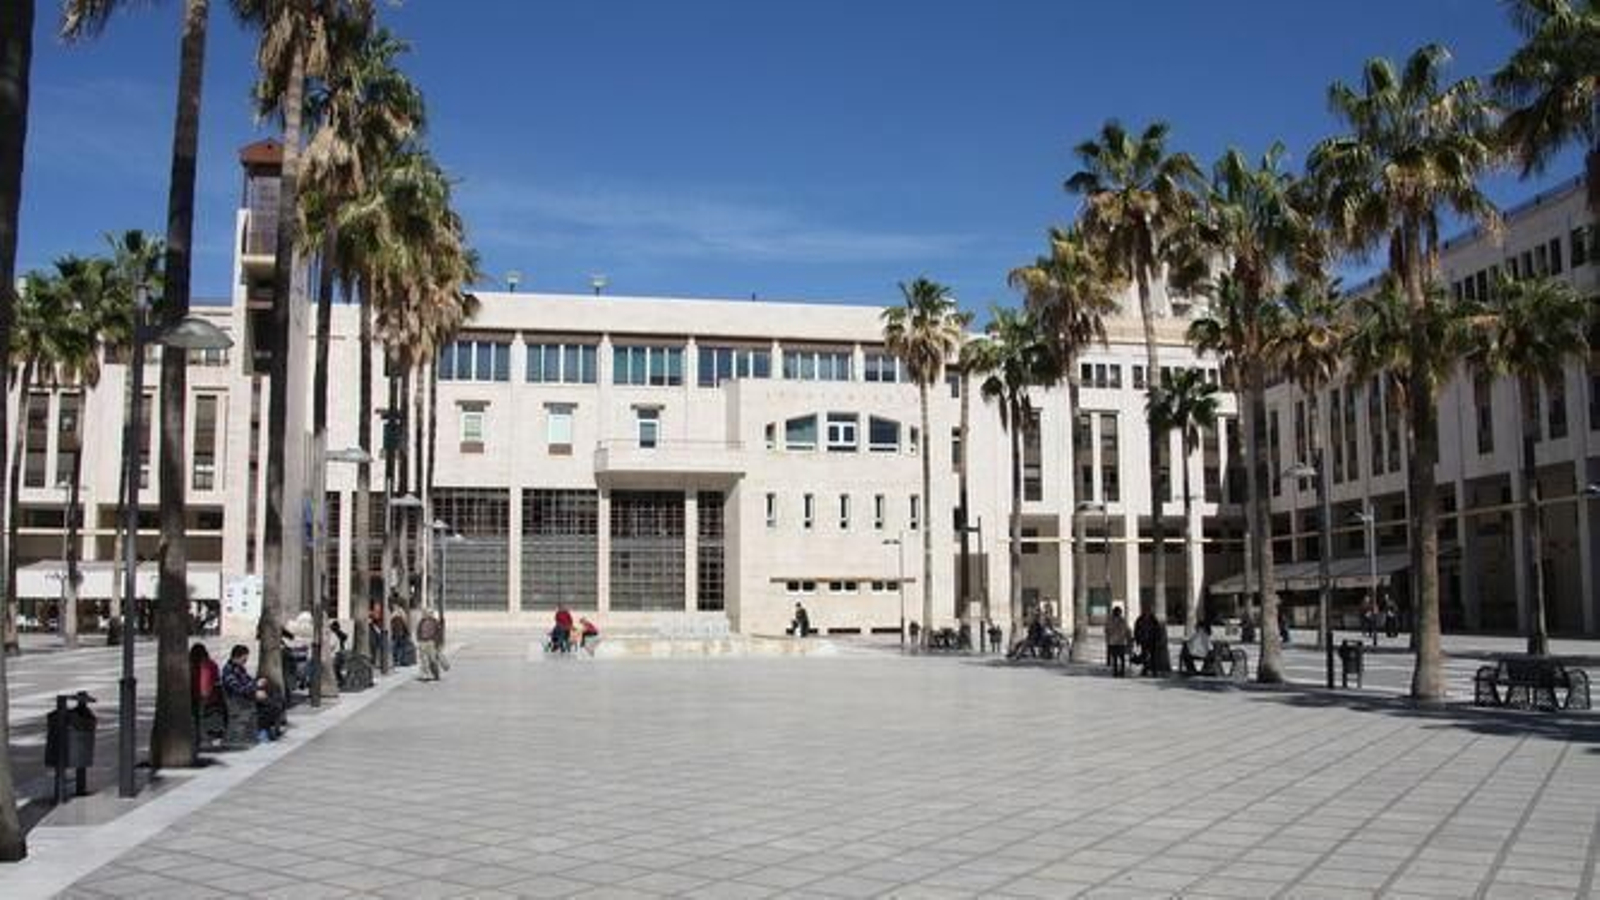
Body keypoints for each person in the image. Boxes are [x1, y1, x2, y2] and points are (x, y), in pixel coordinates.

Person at [221, 644, 282, 744]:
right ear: (237, 657)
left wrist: (258, 684)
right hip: (237, 701)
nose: (245, 662)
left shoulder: (240, 669)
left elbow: (248, 682)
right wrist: (255, 690)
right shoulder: (229, 671)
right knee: (270, 706)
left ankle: (264, 730)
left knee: (276, 701)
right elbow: (238, 689)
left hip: (246, 697)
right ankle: (261, 731)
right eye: (244, 659)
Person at [190, 644, 225, 748]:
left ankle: (198, 740)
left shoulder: (191, 665)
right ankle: (210, 738)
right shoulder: (210, 664)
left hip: (194, 696)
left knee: (196, 719)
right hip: (210, 697)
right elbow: (212, 681)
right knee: (208, 719)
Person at [416, 610, 446, 681]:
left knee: (432, 659)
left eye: (429, 613)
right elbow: (418, 631)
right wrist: (419, 639)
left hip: (431, 642)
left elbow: (439, 634)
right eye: (425, 613)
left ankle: (436, 674)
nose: (426, 614)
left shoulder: (435, 622)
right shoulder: (421, 622)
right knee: (423, 659)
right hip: (423, 641)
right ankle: (425, 675)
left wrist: (438, 644)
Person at [1104, 606, 1131, 677]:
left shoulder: (1113, 620)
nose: (1118, 613)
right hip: (1118, 642)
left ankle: (1118, 672)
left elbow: (1107, 631)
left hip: (1116, 642)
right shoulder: (1121, 620)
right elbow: (1127, 630)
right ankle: (1119, 672)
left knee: (1118, 658)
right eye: (1118, 612)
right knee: (1119, 658)